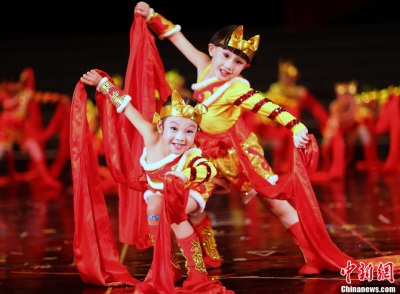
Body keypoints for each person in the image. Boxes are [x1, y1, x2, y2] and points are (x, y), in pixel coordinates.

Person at [134, 2, 329, 276]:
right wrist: (152, 16)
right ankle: (209, 258)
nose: (229, 65)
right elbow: (176, 37)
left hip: (237, 154)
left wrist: (297, 128)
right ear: (213, 51)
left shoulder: (236, 88)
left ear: (244, 67)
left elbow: (269, 107)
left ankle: (313, 255)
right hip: (202, 152)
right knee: (189, 204)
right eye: (226, 56)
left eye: (238, 62)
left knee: (275, 204)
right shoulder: (203, 65)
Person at [80, 69, 233, 293]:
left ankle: (197, 270)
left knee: (173, 213)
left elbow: (206, 169)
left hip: (190, 187)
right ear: (161, 127)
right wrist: (103, 83)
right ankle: (168, 264)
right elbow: (125, 107)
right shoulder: (150, 134)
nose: (181, 137)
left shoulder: (191, 154)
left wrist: (183, 175)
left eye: (189, 131)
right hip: (158, 189)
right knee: (154, 206)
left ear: (196, 133)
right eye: (174, 128)